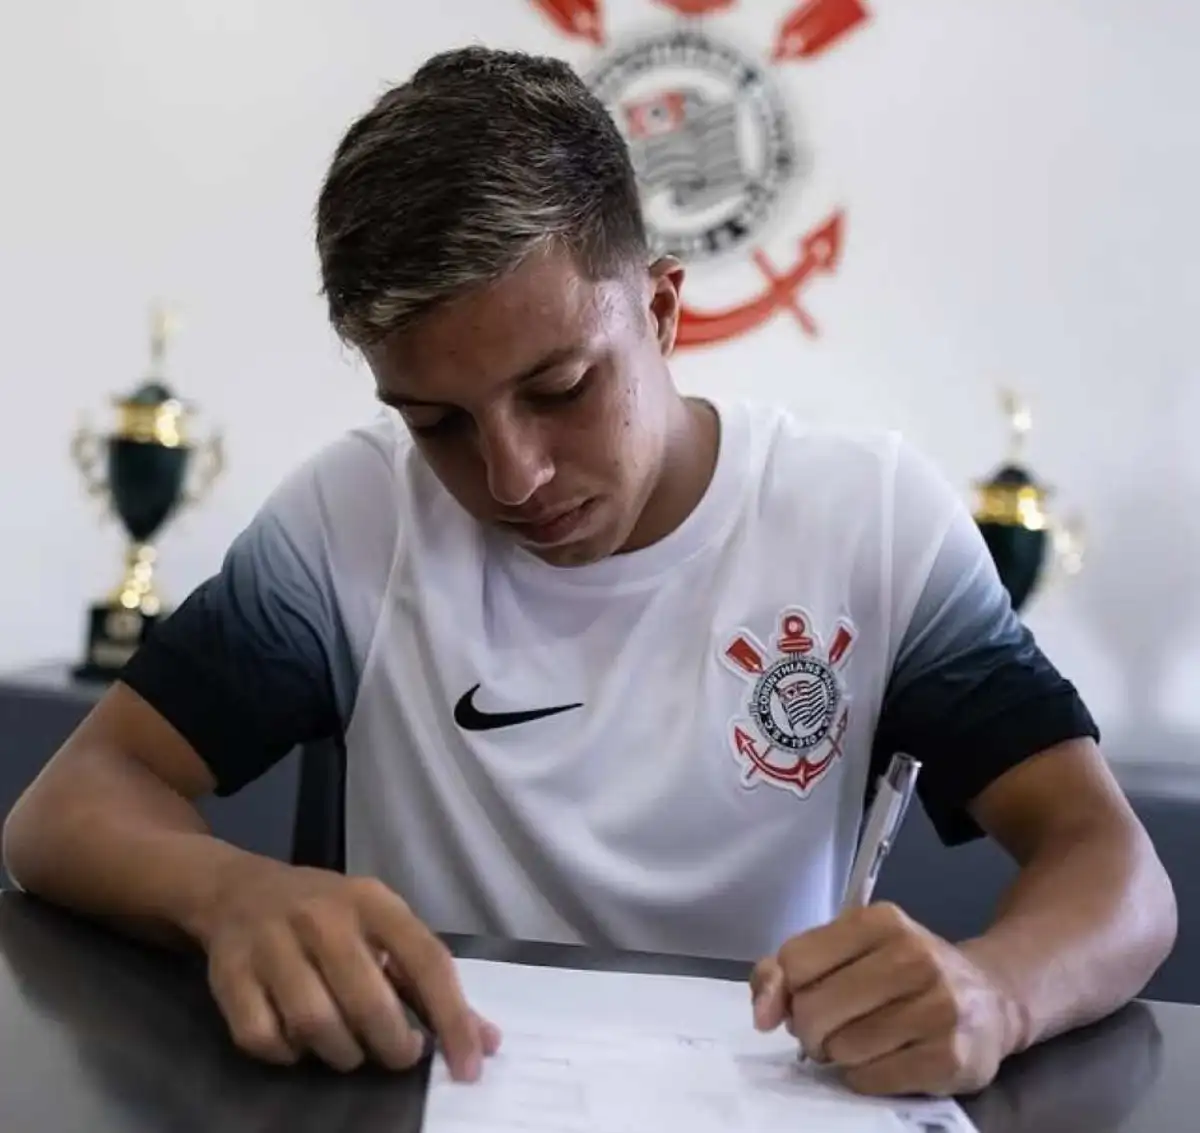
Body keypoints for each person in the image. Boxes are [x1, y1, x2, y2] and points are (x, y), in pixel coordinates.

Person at [2, 46, 1175, 1099]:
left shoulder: (868, 519)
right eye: (436, 422)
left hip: (766, 1100)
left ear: (662, 310)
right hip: (426, 1089)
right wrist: (232, 895)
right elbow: (68, 807)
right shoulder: (350, 513)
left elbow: (1113, 865)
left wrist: (995, 992)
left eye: (561, 388)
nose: (512, 475)